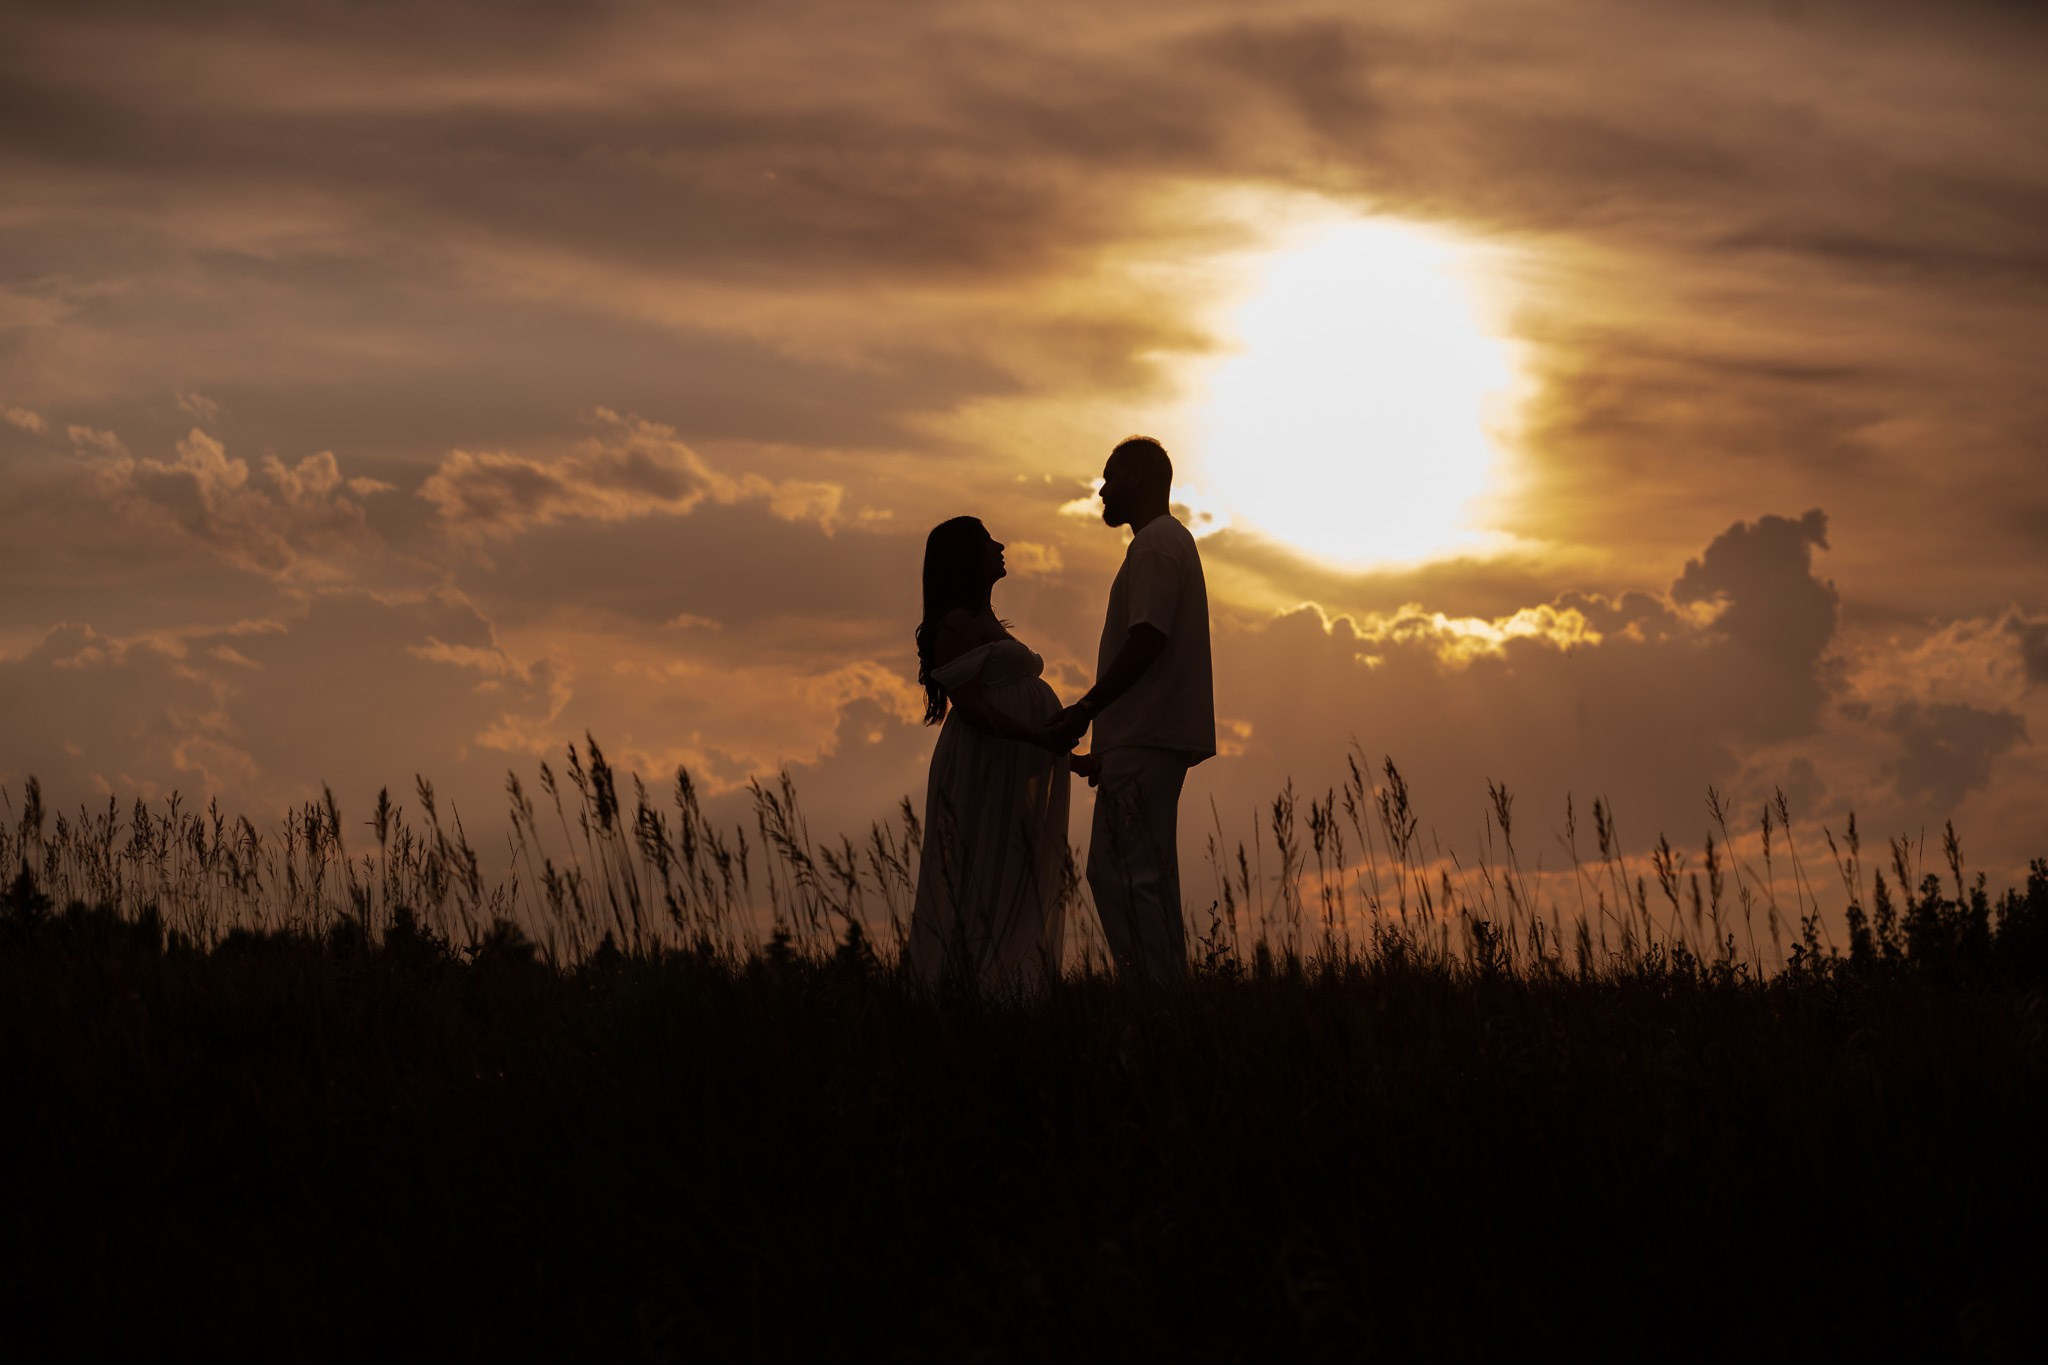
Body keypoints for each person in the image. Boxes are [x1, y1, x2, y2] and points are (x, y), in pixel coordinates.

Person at [1051, 436, 1215, 986]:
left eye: (1112, 476)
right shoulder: (1166, 543)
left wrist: (1086, 708)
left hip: (1145, 738)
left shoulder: (1155, 545)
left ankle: (1153, 994)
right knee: (1145, 873)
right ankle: (1165, 993)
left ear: (1140, 478)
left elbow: (1147, 639)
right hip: (1144, 739)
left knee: (1121, 872)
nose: (1103, 488)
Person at [906, 516, 1075, 993]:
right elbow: (973, 708)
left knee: (1011, 867)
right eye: (987, 542)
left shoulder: (983, 620)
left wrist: (1069, 759)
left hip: (1007, 760)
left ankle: (1007, 988)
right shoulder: (956, 624)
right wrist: (1040, 739)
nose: (1000, 546)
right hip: (983, 763)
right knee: (983, 867)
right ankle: (973, 988)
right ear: (967, 557)